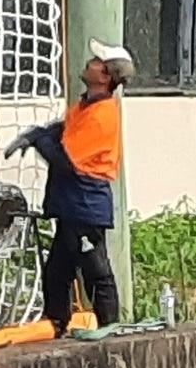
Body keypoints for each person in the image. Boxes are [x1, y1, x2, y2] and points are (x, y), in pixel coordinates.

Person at [13, 46, 129, 333]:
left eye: (96, 61)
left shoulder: (101, 115)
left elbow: (65, 161)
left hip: (84, 202)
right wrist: (39, 134)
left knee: (96, 270)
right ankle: (56, 324)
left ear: (105, 76)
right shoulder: (87, 106)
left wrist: (38, 138)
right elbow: (65, 129)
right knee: (57, 272)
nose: (88, 62)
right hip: (72, 203)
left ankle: (110, 327)